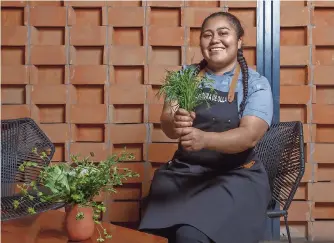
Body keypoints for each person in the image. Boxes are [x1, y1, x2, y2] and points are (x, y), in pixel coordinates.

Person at [138, 11, 274, 243]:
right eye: (207, 35)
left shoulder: (256, 84)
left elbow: (249, 136)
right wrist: (175, 122)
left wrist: (205, 139)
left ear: (239, 41)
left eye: (223, 33)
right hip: (184, 173)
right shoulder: (185, 76)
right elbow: (167, 125)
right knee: (153, 236)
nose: (214, 40)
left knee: (190, 236)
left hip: (234, 177)